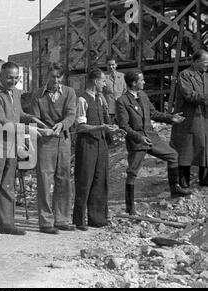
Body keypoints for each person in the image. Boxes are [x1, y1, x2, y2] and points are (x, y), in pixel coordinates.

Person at [0, 62, 43, 239]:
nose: (12, 81)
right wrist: (28, 130)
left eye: (16, 78)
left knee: (7, 186)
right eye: (9, 78)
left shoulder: (15, 92)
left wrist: (32, 118)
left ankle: (6, 224)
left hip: (11, 145)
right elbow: (1, 120)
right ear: (0, 75)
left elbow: (18, 114)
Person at [117, 70, 192, 215]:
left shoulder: (143, 96)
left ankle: (175, 188)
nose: (144, 82)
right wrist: (139, 138)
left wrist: (171, 118)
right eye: (142, 80)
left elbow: (154, 113)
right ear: (134, 83)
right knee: (132, 172)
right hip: (137, 141)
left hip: (152, 137)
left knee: (173, 155)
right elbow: (124, 126)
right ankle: (130, 207)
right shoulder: (122, 101)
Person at [30, 63, 77, 234]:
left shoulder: (70, 93)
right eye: (53, 76)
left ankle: (62, 219)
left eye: (59, 77)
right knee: (44, 181)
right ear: (46, 76)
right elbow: (34, 118)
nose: (56, 80)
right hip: (44, 142)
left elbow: (71, 114)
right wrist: (44, 129)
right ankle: (45, 222)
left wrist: (62, 125)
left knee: (63, 179)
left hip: (63, 140)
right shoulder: (38, 95)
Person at [73, 68, 118, 231]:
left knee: (100, 180)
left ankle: (97, 218)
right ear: (95, 81)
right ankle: (79, 219)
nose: (105, 84)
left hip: (101, 144)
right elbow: (80, 126)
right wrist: (101, 127)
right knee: (84, 180)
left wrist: (110, 130)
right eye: (103, 81)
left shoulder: (101, 99)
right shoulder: (82, 100)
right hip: (87, 144)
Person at [170, 49, 208, 188]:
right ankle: (183, 182)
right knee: (186, 150)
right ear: (196, 61)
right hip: (189, 119)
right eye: (205, 62)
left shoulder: (205, 76)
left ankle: (204, 180)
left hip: (203, 118)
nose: (207, 65)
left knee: (205, 147)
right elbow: (189, 95)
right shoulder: (185, 75)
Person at [103, 57, 127, 123]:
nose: (111, 67)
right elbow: (101, 92)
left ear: (116, 65)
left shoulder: (122, 76)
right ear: (106, 65)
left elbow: (125, 90)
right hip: (108, 107)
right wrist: (104, 104)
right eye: (109, 65)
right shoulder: (104, 77)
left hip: (120, 107)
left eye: (113, 64)